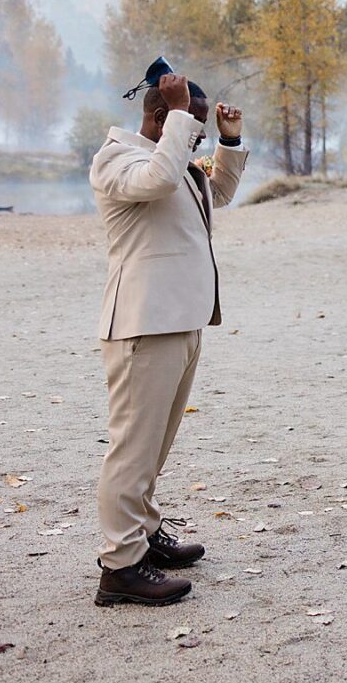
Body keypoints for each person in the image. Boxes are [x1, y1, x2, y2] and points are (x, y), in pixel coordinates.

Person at [88, 57, 248, 606]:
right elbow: (156, 181)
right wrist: (182, 116)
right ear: (160, 115)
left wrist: (229, 142)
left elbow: (217, 193)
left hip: (182, 321)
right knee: (132, 450)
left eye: (201, 129)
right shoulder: (117, 160)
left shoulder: (174, 159)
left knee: (155, 447)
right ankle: (120, 566)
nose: (196, 136)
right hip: (142, 325)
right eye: (190, 125)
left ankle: (145, 534)